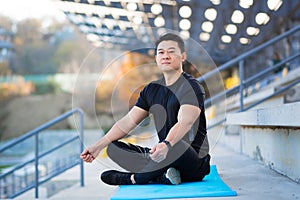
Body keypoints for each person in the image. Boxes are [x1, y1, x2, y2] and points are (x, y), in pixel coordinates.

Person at [80, 33, 211, 185]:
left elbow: (185, 123)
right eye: (161, 52)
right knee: (114, 148)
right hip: (164, 154)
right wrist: (98, 146)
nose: (165, 56)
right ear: (156, 58)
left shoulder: (192, 87)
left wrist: (166, 144)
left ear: (183, 56)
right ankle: (163, 175)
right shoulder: (151, 90)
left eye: (171, 51)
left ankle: (134, 178)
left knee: (177, 145)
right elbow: (128, 122)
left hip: (192, 160)